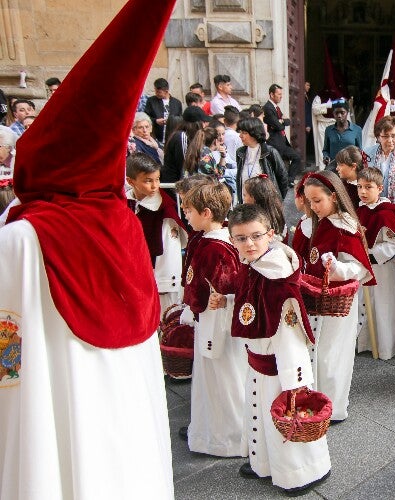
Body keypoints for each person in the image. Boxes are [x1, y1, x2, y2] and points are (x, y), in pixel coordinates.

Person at [0, 0, 176, 496]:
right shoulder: (123, 217)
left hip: (55, 411)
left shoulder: (22, 238)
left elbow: (7, 354)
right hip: (127, 408)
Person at [210, 204, 331, 494]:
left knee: (285, 421)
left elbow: (289, 333)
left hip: (281, 369)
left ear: (271, 235)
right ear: (231, 238)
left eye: (255, 236)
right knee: (262, 417)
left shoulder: (277, 280)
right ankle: (263, 463)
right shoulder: (253, 266)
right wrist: (227, 302)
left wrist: (295, 382)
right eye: (240, 238)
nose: (248, 243)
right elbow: (249, 302)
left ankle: (300, 473)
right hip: (258, 361)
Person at [178, 180, 247, 457]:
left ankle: (227, 437)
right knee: (222, 377)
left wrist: (192, 307)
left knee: (220, 379)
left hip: (215, 321)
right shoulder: (224, 239)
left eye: (190, 211)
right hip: (221, 319)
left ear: (206, 213)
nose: (186, 215)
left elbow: (210, 287)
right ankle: (217, 432)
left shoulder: (212, 248)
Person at [302, 171, 374, 422]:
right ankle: (319, 401)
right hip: (320, 299)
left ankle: (333, 407)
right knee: (321, 352)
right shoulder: (324, 222)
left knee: (333, 355)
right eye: (309, 201)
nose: (313, 207)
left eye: (317, 201)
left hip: (338, 302)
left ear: (334, 196)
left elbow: (359, 268)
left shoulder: (344, 227)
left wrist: (336, 270)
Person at [125, 152, 187, 313]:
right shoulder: (124, 204)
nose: (155, 186)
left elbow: (169, 252)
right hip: (131, 277)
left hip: (160, 283)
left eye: (157, 179)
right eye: (148, 181)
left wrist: (165, 283)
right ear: (130, 181)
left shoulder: (164, 210)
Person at [355, 166, 395, 360]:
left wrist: (369, 255)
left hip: (381, 269)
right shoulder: (359, 210)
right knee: (364, 303)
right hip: (363, 266)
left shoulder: (386, 213)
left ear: (380, 188)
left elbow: (392, 244)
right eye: (360, 187)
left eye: (368, 187)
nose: (363, 192)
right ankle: (366, 343)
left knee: (383, 305)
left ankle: (385, 345)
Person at [362, 115, 395, 204]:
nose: (390, 140)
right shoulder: (367, 153)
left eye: (394, 136)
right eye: (386, 136)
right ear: (378, 137)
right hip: (371, 205)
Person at [236, 117, 288, 199]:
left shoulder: (270, 152)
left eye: (244, 133)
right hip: (246, 203)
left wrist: (277, 200)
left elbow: (283, 177)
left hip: (266, 204)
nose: (240, 136)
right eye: (240, 132)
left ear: (254, 133)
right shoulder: (240, 152)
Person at [264, 84, 303, 183]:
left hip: (282, 142)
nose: (281, 96)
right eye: (279, 94)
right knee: (278, 166)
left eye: (281, 94)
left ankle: (290, 179)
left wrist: (281, 121)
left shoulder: (276, 107)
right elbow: (279, 126)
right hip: (274, 142)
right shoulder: (268, 108)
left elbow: (288, 121)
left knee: (297, 157)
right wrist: (280, 121)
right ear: (271, 94)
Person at [162, 105, 211, 183]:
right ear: (197, 124)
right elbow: (184, 165)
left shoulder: (189, 137)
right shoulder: (181, 136)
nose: (205, 125)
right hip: (175, 184)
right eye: (203, 122)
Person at [242, 175, 288, 243]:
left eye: (244, 195)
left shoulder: (257, 221)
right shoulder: (276, 213)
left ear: (254, 198)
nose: (243, 199)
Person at [321, 101, 363, 167]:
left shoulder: (357, 129)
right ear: (333, 113)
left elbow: (359, 151)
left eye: (342, 113)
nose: (339, 116)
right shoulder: (328, 130)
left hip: (350, 168)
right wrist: (326, 157)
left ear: (347, 112)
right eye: (336, 113)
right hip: (333, 167)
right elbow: (325, 150)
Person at [144, 78, 183, 144]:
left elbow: (180, 119)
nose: (156, 94)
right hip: (156, 136)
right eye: (155, 91)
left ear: (166, 91)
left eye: (159, 92)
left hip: (172, 137)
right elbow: (145, 116)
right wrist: (155, 121)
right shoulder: (151, 101)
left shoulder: (177, 103)